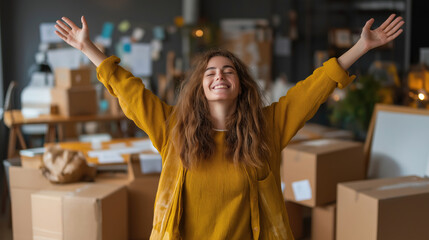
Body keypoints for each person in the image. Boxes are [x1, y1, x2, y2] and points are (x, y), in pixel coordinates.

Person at [55, 14, 404, 240]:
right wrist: (88, 48)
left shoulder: (267, 129)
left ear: (241, 85)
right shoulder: (172, 131)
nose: (219, 76)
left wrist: (362, 46)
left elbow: (312, 90)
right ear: (200, 88)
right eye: (210, 73)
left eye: (228, 71)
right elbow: (129, 92)